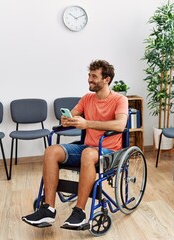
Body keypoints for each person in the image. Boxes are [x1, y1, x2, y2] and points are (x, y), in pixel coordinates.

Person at [22, 60, 128, 228]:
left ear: (106, 79)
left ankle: (80, 212)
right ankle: (48, 210)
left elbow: (120, 125)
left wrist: (88, 124)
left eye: (94, 76)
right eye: (89, 75)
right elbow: (73, 115)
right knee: (51, 151)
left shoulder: (119, 99)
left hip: (109, 151)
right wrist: (66, 120)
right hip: (87, 147)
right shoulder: (87, 98)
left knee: (88, 154)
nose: (89, 79)